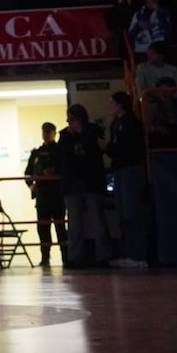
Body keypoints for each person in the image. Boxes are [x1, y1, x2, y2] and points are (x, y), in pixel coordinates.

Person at [57, 104, 110, 269]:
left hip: (91, 182)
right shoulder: (64, 135)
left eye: (71, 118)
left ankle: (103, 257)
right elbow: (61, 158)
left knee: (97, 221)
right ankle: (75, 257)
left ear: (79, 118)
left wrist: (81, 134)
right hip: (73, 184)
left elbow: (96, 153)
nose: (69, 121)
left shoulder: (92, 131)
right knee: (74, 224)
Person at [105, 92, 148, 269]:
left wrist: (110, 148)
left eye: (112, 103)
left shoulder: (131, 123)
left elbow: (128, 148)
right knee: (123, 214)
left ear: (120, 104)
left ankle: (138, 255)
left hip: (130, 169)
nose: (110, 107)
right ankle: (129, 253)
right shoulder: (115, 124)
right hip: (120, 170)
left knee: (132, 213)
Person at [24, 122, 66, 268]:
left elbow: (65, 169)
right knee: (43, 228)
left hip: (57, 194)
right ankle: (45, 257)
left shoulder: (60, 151)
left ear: (54, 133)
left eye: (49, 131)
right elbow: (28, 172)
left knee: (60, 226)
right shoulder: (36, 153)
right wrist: (31, 185)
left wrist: (54, 172)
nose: (46, 134)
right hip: (42, 195)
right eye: (44, 131)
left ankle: (65, 257)